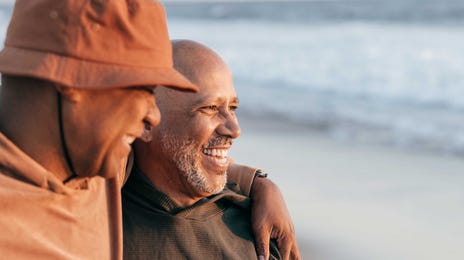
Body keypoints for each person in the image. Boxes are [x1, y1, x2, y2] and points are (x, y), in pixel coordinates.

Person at [0, 1, 298, 259]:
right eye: (141, 92)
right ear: (75, 86)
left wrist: (257, 183)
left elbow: (177, 155)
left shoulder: (96, 167)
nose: (152, 117)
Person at [122, 40, 298, 260]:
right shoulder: (98, 219)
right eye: (210, 108)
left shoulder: (257, 232)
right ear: (146, 122)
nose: (234, 129)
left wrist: (259, 182)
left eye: (232, 108)